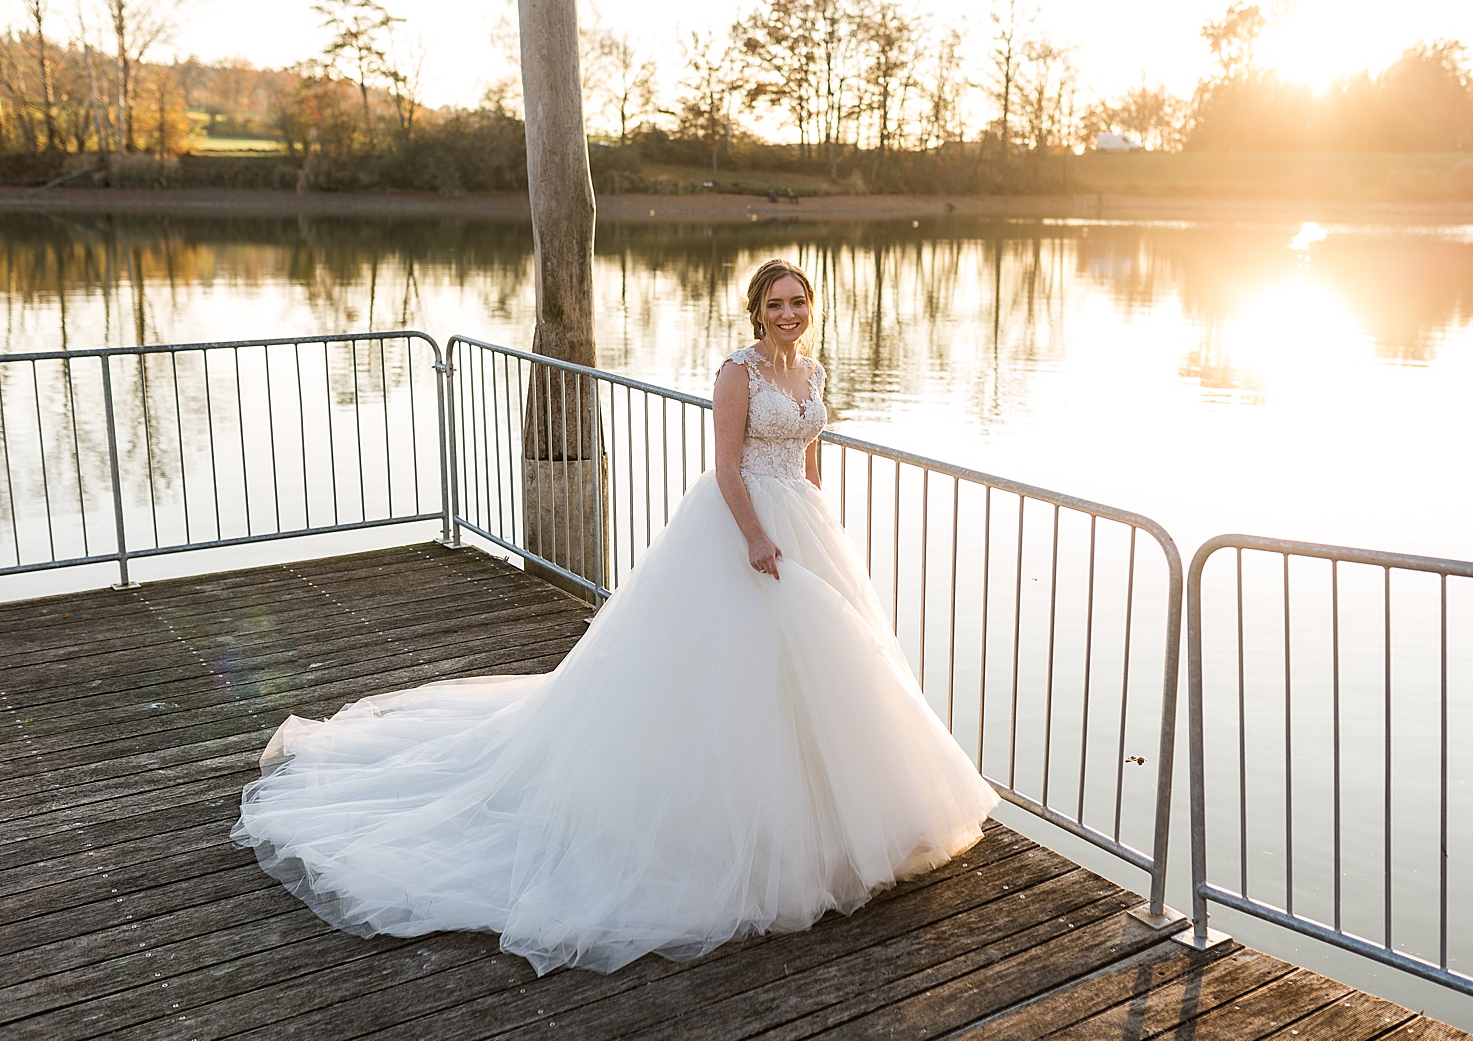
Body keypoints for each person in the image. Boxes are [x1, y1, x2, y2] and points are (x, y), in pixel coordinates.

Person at [232, 258, 998, 976]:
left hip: (803, 523)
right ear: (756, 312)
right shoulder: (739, 372)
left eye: (798, 302)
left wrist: (816, 520)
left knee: (824, 675)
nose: (789, 314)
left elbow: (808, 455)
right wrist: (758, 537)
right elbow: (727, 467)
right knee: (726, 677)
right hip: (742, 527)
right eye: (776, 304)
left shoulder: (812, 370)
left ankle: (826, 820)